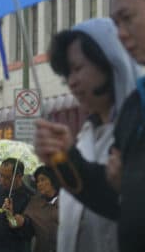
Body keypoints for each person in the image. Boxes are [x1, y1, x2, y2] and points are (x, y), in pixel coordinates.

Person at [35, 0, 145, 252]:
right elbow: (114, 201)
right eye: (117, 22)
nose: (121, 33)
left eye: (128, 18)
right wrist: (64, 158)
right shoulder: (138, 107)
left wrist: (133, 184)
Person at [49, 17, 138, 252]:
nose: (72, 82)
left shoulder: (142, 132)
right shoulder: (82, 138)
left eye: (78, 69)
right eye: (67, 74)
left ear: (110, 61)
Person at [8, 166, 60, 252]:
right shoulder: (34, 203)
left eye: (43, 179)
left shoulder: (68, 202)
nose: (39, 184)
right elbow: (25, 228)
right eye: (37, 181)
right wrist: (12, 218)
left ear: (53, 180)